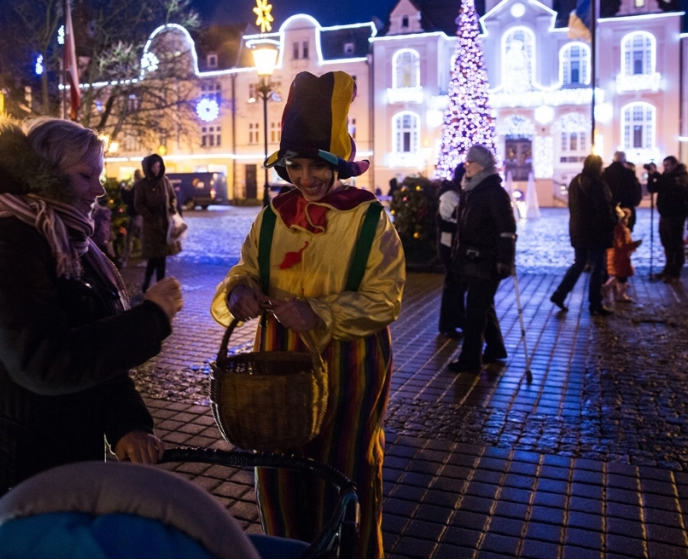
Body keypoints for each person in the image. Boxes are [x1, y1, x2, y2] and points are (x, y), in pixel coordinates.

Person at [0, 116, 183, 550]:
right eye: (86, 175)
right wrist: (151, 319)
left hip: (62, 466)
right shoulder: (7, 246)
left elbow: (96, 345)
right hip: (8, 476)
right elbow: (43, 361)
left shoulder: (72, 244)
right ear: (45, 175)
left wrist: (127, 424)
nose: (99, 190)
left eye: (99, 176)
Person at [211, 71, 405, 558]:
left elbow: (386, 299)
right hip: (277, 368)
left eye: (316, 166)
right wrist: (240, 294)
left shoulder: (370, 220)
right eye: (295, 167)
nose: (306, 179)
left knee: (345, 470)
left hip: (350, 370)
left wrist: (319, 312)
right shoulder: (273, 216)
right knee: (278, 469)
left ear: (337, 162)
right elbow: (245, 270)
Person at [446, 145, 516, 373]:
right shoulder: (472, 189)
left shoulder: (494, 192)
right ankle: (495, 349)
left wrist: (504, 261)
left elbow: (507, 230)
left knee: (475, 313)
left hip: (487, 261)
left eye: (470, 162)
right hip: (472, 259)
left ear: (482, 166)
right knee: (484, 307)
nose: (466, 166)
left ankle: (470, 360)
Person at [550, 154, 617, 316]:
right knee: (598, 267)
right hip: (595, 231)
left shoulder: (576, 181)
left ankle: (560, 294)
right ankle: (595, 303)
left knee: (579, 263)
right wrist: (611, 224)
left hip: (578, 229)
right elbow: (603, 208)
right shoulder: (596, 183)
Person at [134, 155, 177, 292]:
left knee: (162, 258)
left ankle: (159, 286)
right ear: (148, 168)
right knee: (153, 258)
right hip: (151, 227)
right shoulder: (142, 185)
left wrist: (172, 208)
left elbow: (172, 197)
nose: (156, 170)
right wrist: (149, 216)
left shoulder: (165, 181)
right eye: (153, 167)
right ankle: (146, 284)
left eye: (158, 166)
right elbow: (138, 204)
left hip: (164, 225)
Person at [646, 155, 688, 283]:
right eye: (664, 166)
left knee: (675, 243)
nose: (665, 168)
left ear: (675, 165)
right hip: (664, 214)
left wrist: (658, 175)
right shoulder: (665, 176)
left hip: (676, 214)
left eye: (668, 165)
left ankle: (675, 272)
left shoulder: (681, 176)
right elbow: (652, 189)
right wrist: (651, 175)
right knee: (666, 242)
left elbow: (674, 187)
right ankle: (667, 269)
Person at [437, 163, 467, 338]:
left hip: (457, 246)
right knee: (452, 286)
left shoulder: (460, 194)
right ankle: (447, 324)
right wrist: (462, 227)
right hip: (449, 247)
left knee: (459, 286)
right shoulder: (450, 195)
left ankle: (457, 320)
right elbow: (443, 222)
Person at [602, 206, 642, 304]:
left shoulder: (615, 229)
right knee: (622, 277)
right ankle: (620, 295)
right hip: (620, 257)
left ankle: (606, 288)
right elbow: (623, 246)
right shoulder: (623, 230)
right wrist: (636, 244)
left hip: (614, 255)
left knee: (618, 275)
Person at [602, 151, 643, 231]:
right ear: (624, 160)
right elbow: (634, 192)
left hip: (609, 211)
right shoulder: (629, 173)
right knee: (625, 234)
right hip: (626, 209)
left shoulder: (605, 173)